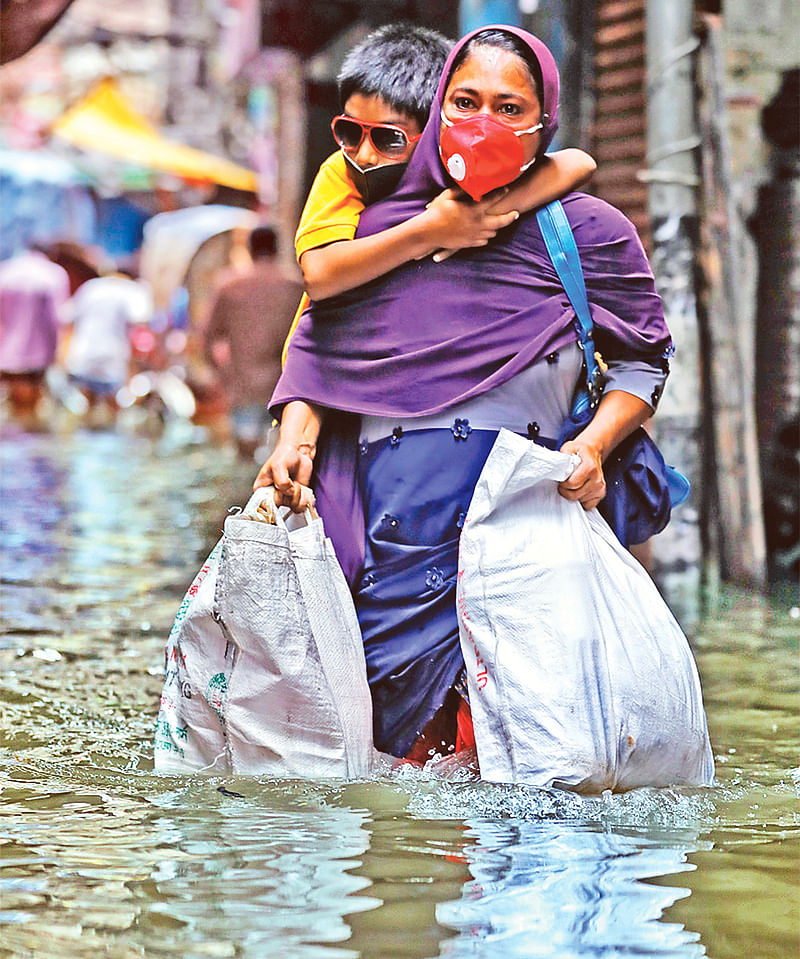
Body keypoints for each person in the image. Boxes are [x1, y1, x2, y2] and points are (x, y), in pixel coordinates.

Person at [259, 26, 669, 765]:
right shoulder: (382, 233)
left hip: (527, 540)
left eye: (510, 108)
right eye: (466, 101)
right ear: (437, 111)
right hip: (387, 554)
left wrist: (594, 443)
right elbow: (319, 353)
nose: (484, 123)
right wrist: (296, 436)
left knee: (534, 773)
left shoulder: (589, 233)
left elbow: (644, 360)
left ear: (545, 120)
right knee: (389, 777)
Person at [282, 22, 596, 360]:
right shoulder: (342, 169)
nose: (365, 153)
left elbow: (578, 163)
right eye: (349, 132)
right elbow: (319, 275)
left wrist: (478, 215)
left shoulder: (465, 169)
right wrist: (431, 230)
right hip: (327, 361)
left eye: (390, 138)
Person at [203, 226, 303, 459]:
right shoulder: (295, 285)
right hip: (284, 390)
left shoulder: (229, 285)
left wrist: (222, 375)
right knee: (281, 464)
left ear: (249, 249)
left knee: (246, 467)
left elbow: (207, 337)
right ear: (277, 249)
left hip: (243, 389)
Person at [62, 269, 153, 425]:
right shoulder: (133, 290)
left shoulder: (91, 287)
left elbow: (67, 318)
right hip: (112, 357)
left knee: (85, 407)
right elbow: (142, 321)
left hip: (82, 355)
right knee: (114, 409)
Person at [0, 246, 71, 423]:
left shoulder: (6, 271)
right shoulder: (53, 274)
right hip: (38, 355)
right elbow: (58, 317)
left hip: (6, 354)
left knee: (12, 407)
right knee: (32, 410)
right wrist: (58, 354)